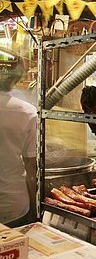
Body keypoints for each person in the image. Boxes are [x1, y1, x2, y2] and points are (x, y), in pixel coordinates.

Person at [0, 50, 37, 227]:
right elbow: (31, 166)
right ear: (16, 79)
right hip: (13, 205)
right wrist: (34, 208)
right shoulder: (27, 112)